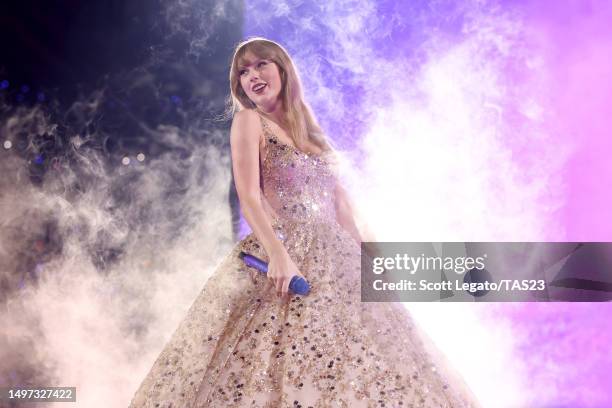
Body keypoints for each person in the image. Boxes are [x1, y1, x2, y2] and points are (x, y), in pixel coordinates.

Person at [129, 37, 481, 407]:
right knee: (281, 357)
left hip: (340, 257)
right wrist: (278, 255)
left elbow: (342, 205)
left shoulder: (308, 126)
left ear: (282, 69)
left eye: (261, 64)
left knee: (366, 359)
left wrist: (374, 259)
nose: (252, 76)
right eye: (243, 72)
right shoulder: (249, 122)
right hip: (287, 250)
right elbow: (249, 197)